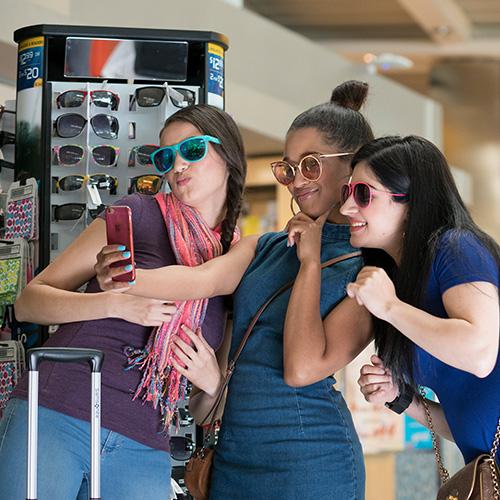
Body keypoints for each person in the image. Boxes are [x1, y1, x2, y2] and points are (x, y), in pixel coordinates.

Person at [95, 80, 375, 499]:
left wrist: (312, 262)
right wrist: (125, 277)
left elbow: (302, 370)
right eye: (289, 168)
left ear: (352, 165)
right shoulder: (263, 247)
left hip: (311, 459)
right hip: (233, 454)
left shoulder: (367, 269)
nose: (297, 181)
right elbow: (199, 281)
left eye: (311, 165)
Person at [0, 104, 246, 499]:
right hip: (58, 408)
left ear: (229, 154)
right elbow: (30, 302)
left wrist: (212, 383)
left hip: (143, 442)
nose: (178, 164)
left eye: (193, 150)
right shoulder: (137, 215)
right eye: (167, 157)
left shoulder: (236, 263)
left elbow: (203, 410)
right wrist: (113, 304)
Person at [341, 135, 499, 465]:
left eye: (363, 194)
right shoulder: (402, 280)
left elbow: (479, 354)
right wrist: (400, 398)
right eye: (347, 192)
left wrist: (389, 306)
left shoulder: (456, 248)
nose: (346, 208)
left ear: (411, 201)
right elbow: (465, 420)